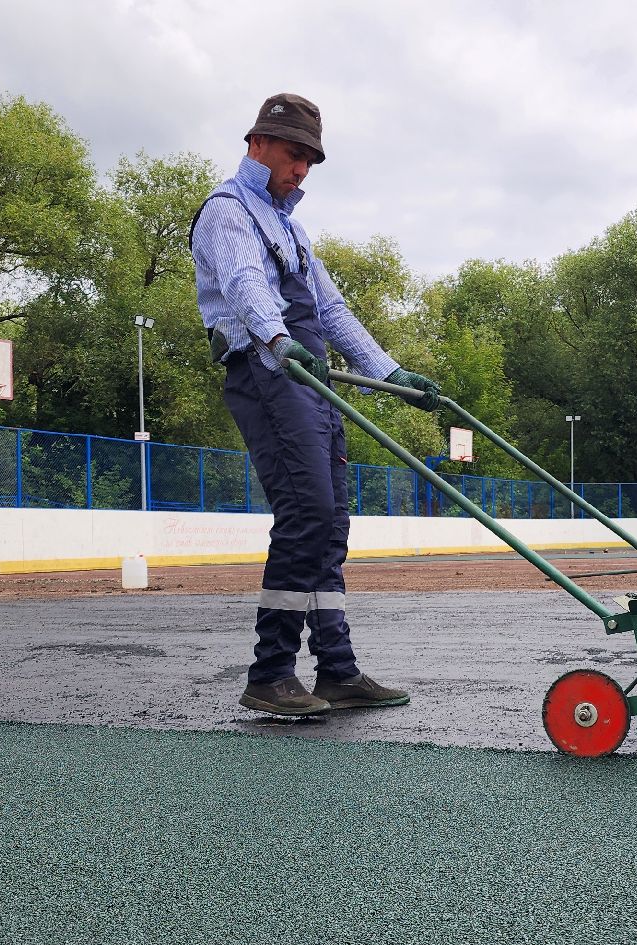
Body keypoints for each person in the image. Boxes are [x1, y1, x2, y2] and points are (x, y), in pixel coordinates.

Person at [190, 92, 441, 719]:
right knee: (307, 514)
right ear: (258, 143)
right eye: (293, 153)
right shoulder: (228, 212)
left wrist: (392, 373)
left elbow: (331, 310)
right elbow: (246, 285)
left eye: (310, 160)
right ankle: (270, 672)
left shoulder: (292, 227)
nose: (301, 169)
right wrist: (278, 340)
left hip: (309, 377)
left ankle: (336, 670)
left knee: (331, 524)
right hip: (267, 372)